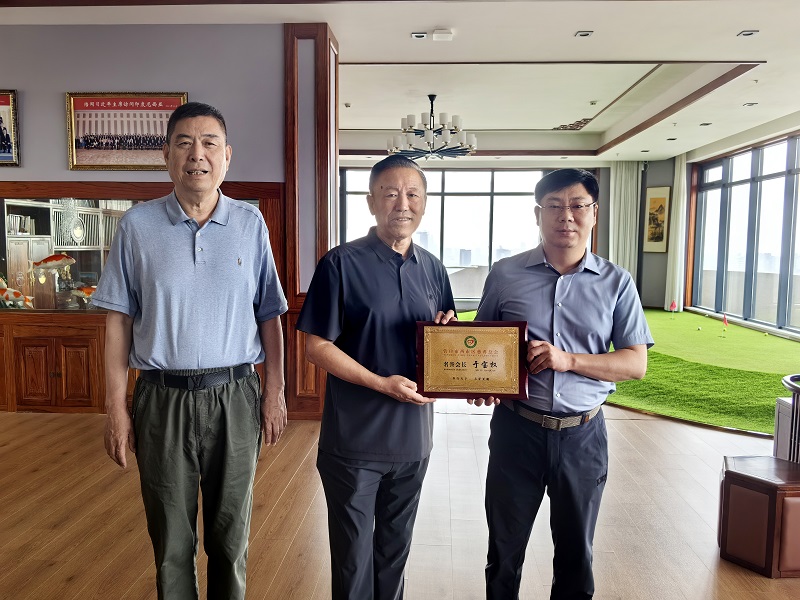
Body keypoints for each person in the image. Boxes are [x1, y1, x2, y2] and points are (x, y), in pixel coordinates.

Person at [93, 101, 288, 600]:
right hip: (162, 398)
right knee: (170, 541)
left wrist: (274, 393)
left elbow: (270, 314)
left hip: (235, 395)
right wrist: (116, 408)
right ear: (166, 155)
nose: (196, 154)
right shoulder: (137, 226)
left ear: (227, 156)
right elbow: (118, 321)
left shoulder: (250, 223)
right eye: (184, 143)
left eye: (208, 144)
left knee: (231, 536)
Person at [473, 168, 653, 600]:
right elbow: (482, 344)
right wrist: (481, 379)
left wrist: (567, 360)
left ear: (594, 213)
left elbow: (635, 363)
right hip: (517, 430)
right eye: (554, 205)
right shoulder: (505, 274)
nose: (566, 215)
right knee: (503, 552)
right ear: (538, 214)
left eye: (577, 205)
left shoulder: (617, 282)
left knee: (576, 556)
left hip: (582, 436)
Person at [296, 155, 456, 600]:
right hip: (354, 442)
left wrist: (447, 338)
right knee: (353, 562)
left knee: (394, 555)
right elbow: (317, 347)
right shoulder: (340, 264)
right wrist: (381, 383)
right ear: (371, 202)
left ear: (425, 202)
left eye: (413, 194)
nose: (402, 204)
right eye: (390, 194)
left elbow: (445, 344)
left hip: (414, 440)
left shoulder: (433, 268)